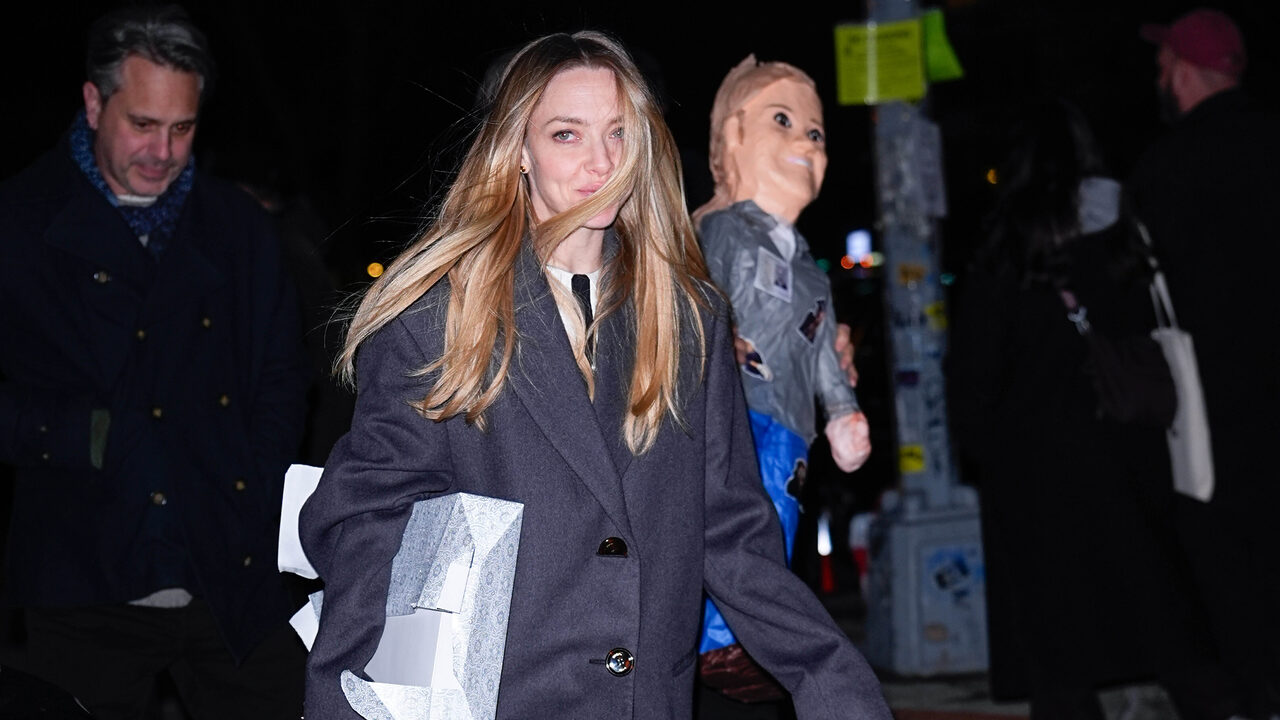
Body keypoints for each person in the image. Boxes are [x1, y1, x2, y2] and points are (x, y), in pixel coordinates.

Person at [299, 31, 892, 720]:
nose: (603, 162)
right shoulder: (438, 320)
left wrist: (838, 690)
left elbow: (732, 535)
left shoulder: (688, 318)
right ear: (518, 150)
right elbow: (370, 536)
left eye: (619, 133)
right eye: (567, 134)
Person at [0, 6, 309, 718]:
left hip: (230, 575)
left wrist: (256, 484)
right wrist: (84, 436)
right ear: (93, 103)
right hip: (84, 582)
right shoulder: (19, 222)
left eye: (182, 128)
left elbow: (282, 378)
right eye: (143, 124)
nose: (162, 152)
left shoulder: (238, 227)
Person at [948, 98, 1236, 720]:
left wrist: (988, 448)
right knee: (1167, 619)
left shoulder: (1010, 248)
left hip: (1039, 476)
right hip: (1134, 453)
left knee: (1059, 657)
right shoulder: (1127, 233)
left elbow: (975, 373)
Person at [689, 55, 871, 716]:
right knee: (728, 522)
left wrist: (842, 411)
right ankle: (716, 639)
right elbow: (693, 298)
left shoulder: (814, 274)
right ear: (734, 134)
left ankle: (752, 637)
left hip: (790, 421)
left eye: (816, 132)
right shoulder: (719, 232)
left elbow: (822, 351)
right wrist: (709, 338)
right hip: (732, 408)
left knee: (778, 520)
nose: (805, 142)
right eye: (784, 121)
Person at [1129, 8, 1280, 719]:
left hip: (1213, 408)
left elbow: (1146, 299)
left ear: (1185, 72)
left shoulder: (1165, 169)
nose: (1158, 78)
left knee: (1233, 572)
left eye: (1163, 66)